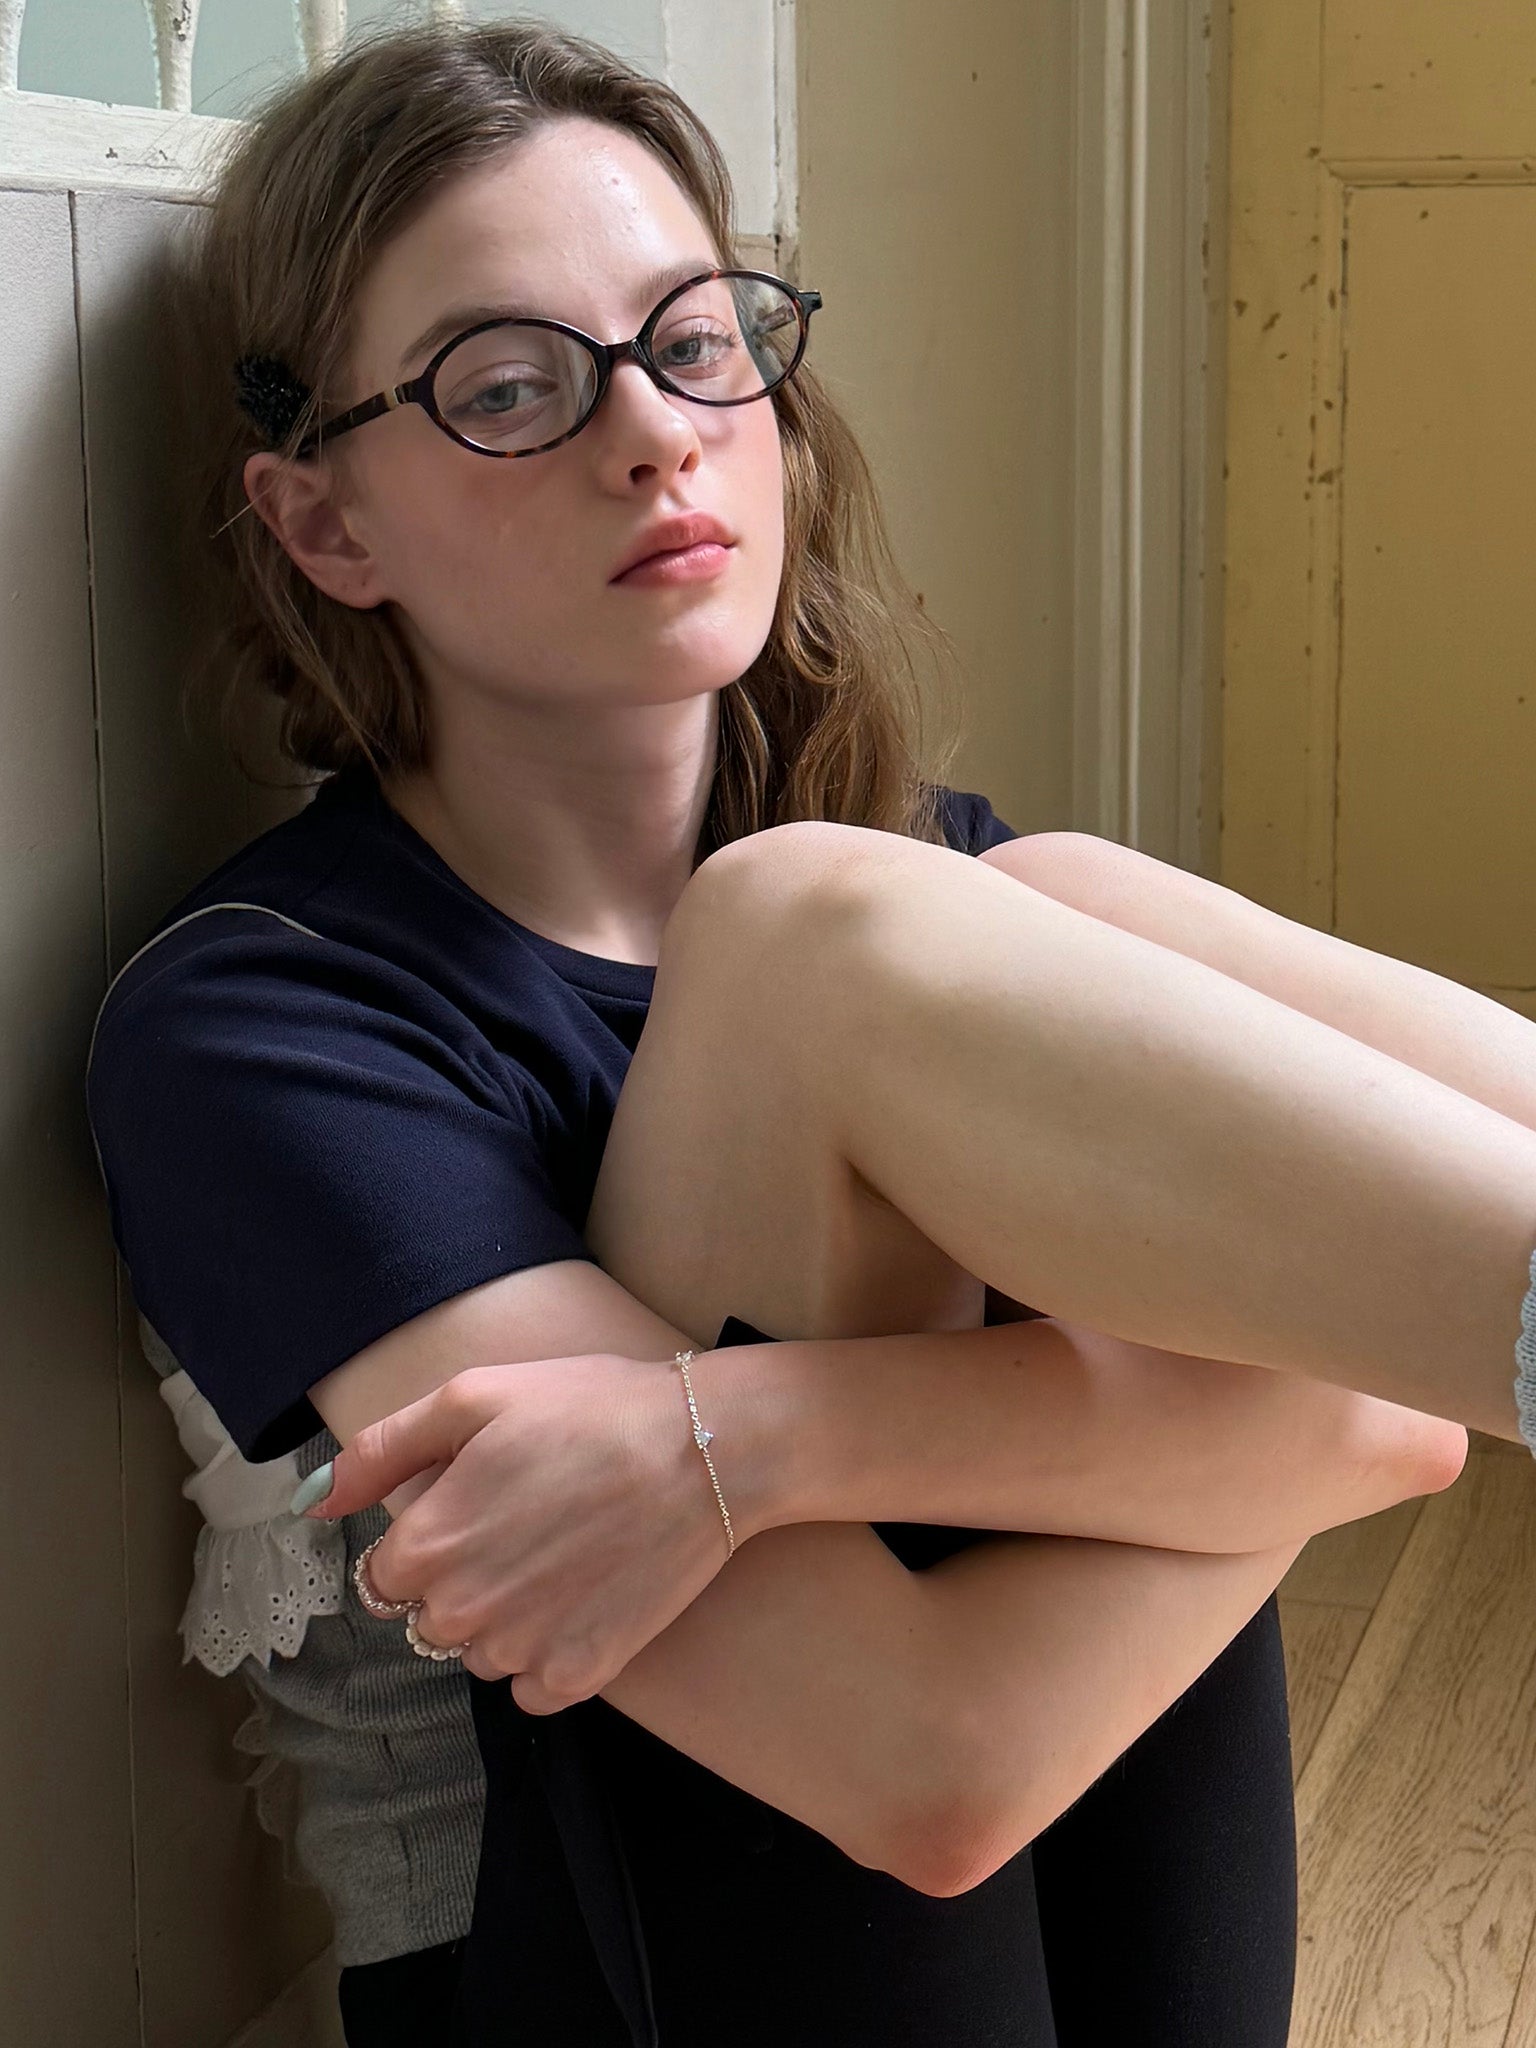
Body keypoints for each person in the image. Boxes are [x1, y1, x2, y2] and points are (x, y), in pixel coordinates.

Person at [84, 17, 1524, 2045]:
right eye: (509, 387)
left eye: (695, 342)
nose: (653, 434)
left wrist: (748, 1439)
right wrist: (1172, 1430)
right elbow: (926, 1763)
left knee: (1035, 895)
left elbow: (1397, 1408)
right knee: (809, 928)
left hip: (1088, 1946)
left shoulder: (933, 900)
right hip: (604, 1982)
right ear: (328, 529)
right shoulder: (263, 1022)